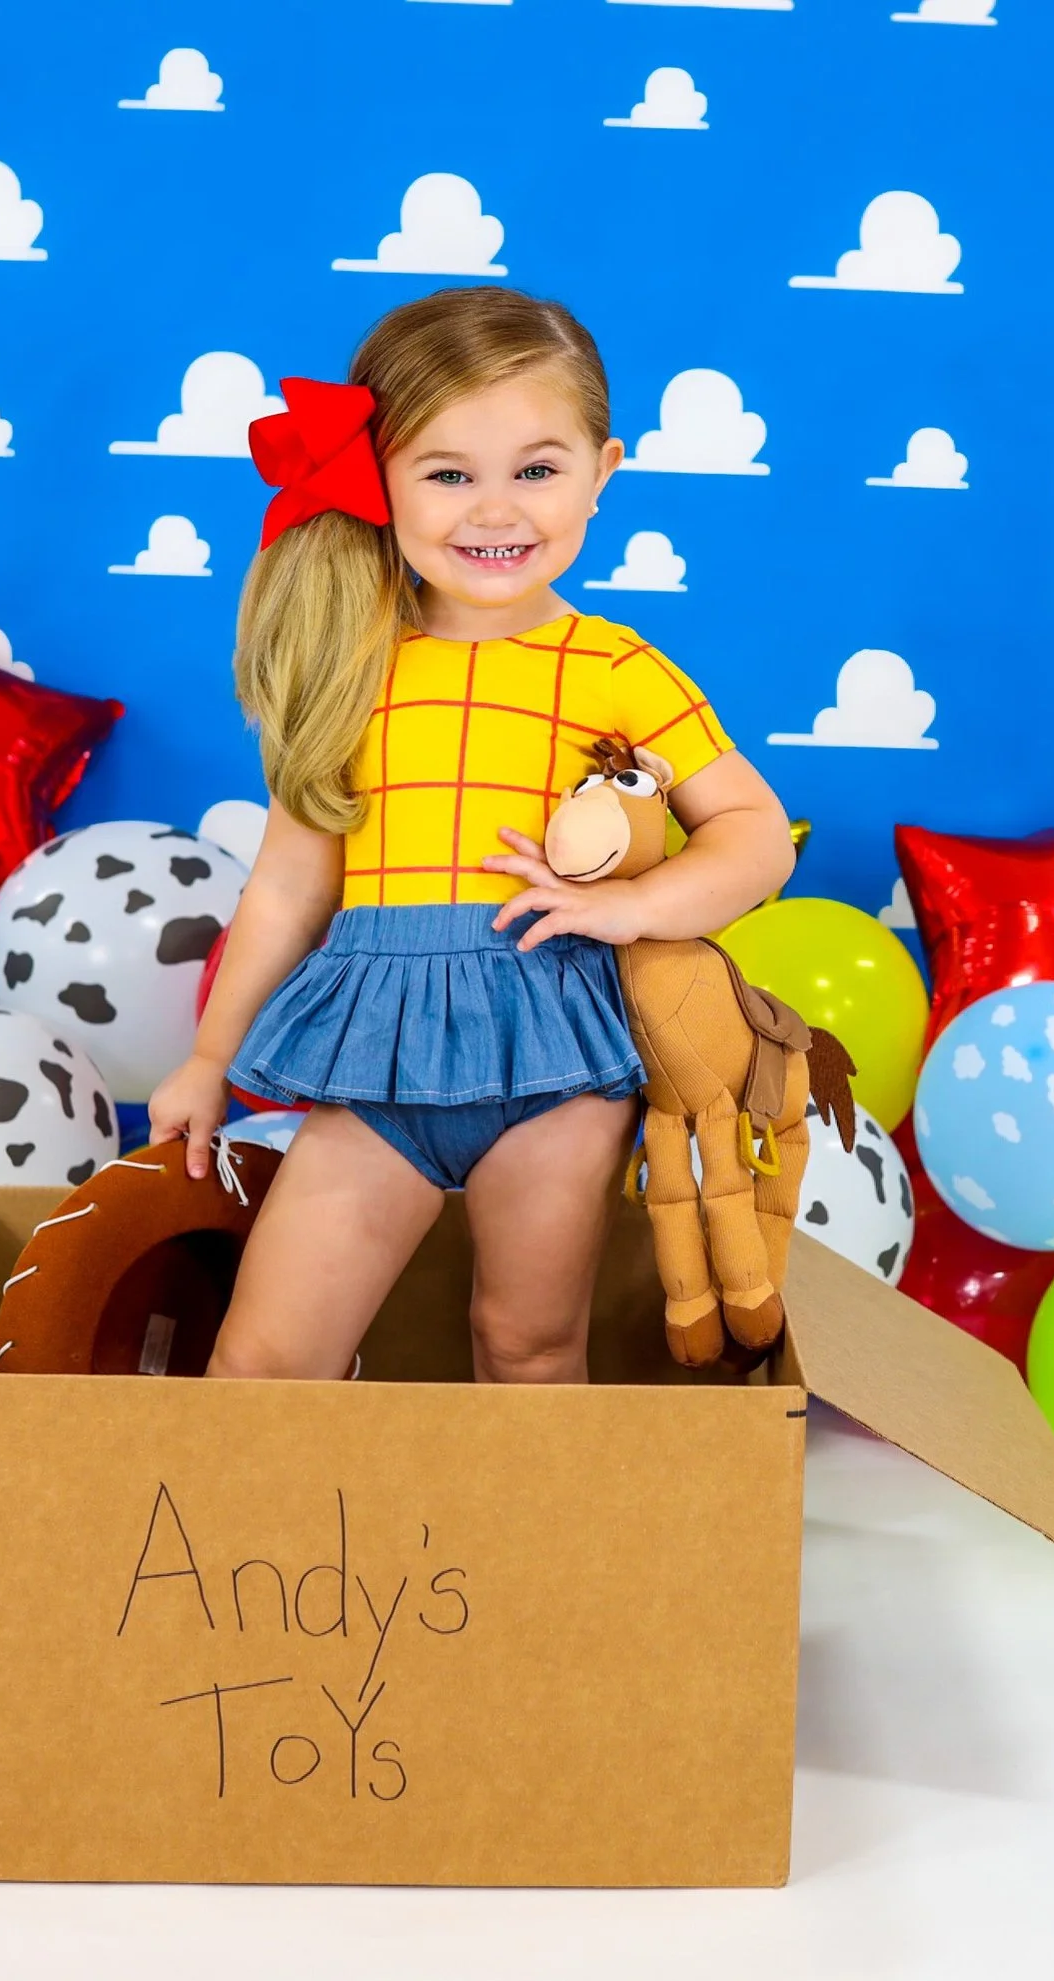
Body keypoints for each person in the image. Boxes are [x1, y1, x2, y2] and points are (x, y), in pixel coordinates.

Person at [148, 287, 795, 1382]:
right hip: (377, 1055)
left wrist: (631, 906)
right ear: (379, 480)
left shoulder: (618, 669)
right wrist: (209, 1059)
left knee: (526, 1341)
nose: (496, 511)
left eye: (536, 470)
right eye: (448, 474)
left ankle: (536, 1503)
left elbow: (755, 834)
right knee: (264, 1359)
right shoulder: (353, 667)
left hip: (559, 1060)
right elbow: (288, 888)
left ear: (603, 472)